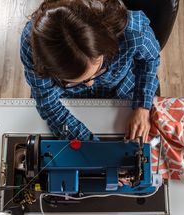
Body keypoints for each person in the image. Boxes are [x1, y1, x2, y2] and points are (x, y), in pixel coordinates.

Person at [20, 0, 160, 142]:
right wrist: (91, 145)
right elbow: (49, 103)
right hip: (69, 101)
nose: (90, 84)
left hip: (122, 92)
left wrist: (142, 106)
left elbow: (150, 59)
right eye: (73, 80)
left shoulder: (133, 32)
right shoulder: (33, 47)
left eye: (98, 70)